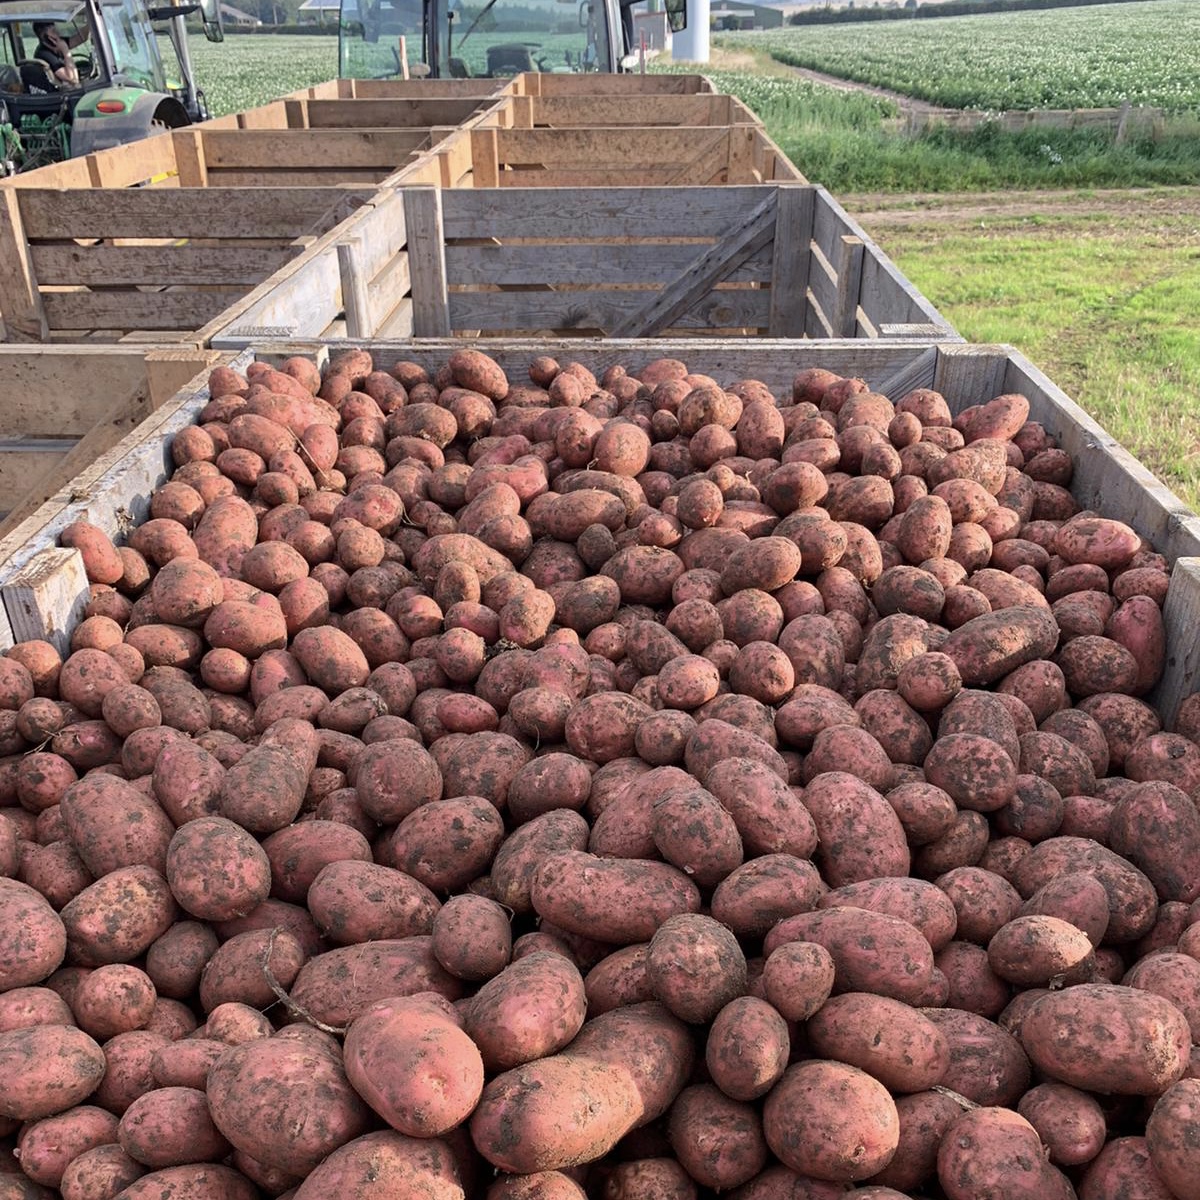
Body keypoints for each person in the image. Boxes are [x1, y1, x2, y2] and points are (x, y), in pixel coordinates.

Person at [32, 21, 88, 88]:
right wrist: (65, 50)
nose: (58, 33)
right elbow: (72, 79)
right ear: (44, 36)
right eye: (53, 31)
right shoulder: (44, 54)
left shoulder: (56, 43)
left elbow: (81, 38)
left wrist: (90, 25)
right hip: (61, 93)